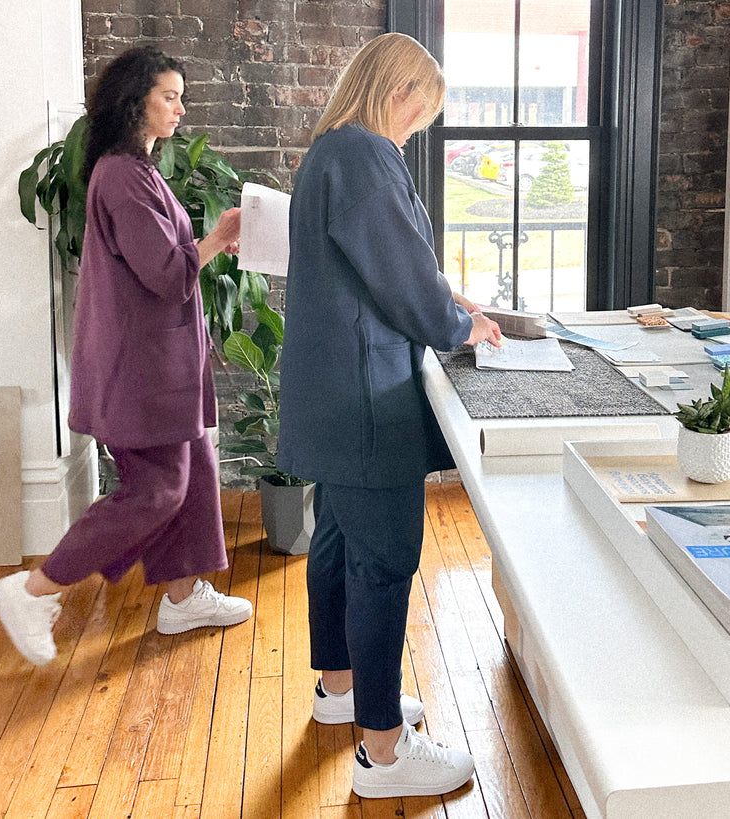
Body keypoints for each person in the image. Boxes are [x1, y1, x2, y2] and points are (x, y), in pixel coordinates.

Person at [277, 33, 502, 800]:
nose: (417, 128)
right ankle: (382, 751)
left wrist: (449, 299)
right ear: (397, 91)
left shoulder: (327, 153)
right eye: (420, 112)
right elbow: (404, 276)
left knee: (338, 545)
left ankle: (341, 689)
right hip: (365, 393)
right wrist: (459, 322)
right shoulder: (369, 155)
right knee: (384, 563)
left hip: (328, 391)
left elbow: (381, 264)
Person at [0, 47, 252, 666]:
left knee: (196, 473)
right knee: (156, 489)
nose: (181, 108)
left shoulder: (139, 170)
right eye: (170, 96)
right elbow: (165, 273)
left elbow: (158, 262)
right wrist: (216, 237)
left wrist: (210, 244)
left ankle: (183, 598)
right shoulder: (122, 175)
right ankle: (35, 589)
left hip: (163, 365)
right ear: (136, 102)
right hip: (142, 372)